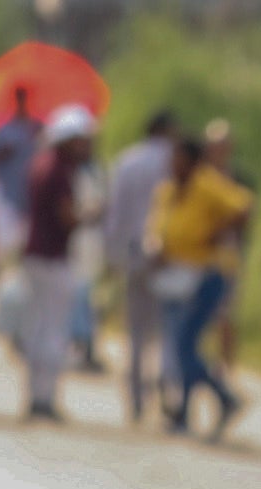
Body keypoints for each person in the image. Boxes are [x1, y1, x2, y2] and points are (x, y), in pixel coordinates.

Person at [148, 122, 252, 438]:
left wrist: (216, 234)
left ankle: (221, 396)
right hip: (174, 274)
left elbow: (244, 207)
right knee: (178, 346)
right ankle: (183, 411)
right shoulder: (168, 189)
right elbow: (160, 226)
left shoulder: (208, 185)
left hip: (205, 274)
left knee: (184, 345)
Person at [8, 108, 90, 420]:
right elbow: (67, 217)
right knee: (53, 330)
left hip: (36, 255)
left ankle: (37, 396)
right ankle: (44, 398)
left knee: (38, 327)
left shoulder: (41, 165)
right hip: (52, 257)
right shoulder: (58, 171)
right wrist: (90, 215)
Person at [101, 110, 171, 421]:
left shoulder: (128, 161)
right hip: (167, 255)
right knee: (165, 329)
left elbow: (116, 213)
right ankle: (165, 392)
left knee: (137, 330)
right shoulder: (174, 161)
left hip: (132, 254)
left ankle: (136, 396)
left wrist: (112, 256)